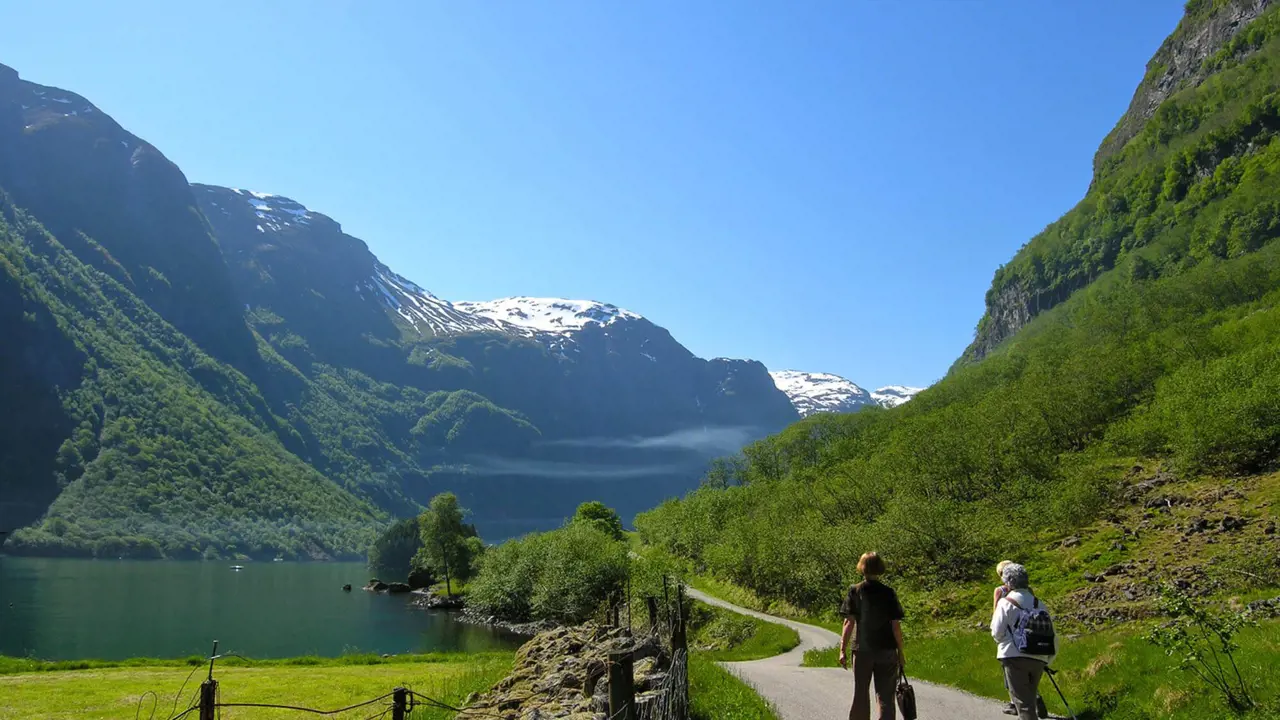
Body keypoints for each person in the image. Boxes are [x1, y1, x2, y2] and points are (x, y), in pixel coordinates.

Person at [839, 551, 906, 720]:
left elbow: (849, 623)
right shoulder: (888, 593)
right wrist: (901, 652)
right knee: (885, 696)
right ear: (880, 568)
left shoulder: (855, 591)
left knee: (861, 694)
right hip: (887, 650)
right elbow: (896, 626)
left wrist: (842, 650)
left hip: (862, 650)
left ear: (862, 568)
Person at [990, 563, 1056, 720]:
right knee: (1030, 699)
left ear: (1008, 582)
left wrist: (1005, 642)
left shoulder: (1006, 603)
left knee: (1023, 704)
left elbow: (996, 632)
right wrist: (1048, 659)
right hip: (1039, 656)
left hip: (1014, 657)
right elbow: (1052, 633)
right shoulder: (1039, 604)